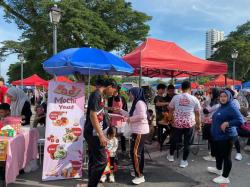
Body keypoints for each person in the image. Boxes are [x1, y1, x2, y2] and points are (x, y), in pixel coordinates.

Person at [83, 78, 117, 187]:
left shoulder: (101, 96)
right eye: (113, 90)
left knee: (94, 159)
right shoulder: (96, 95)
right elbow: (93, 115)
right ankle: (92, 184)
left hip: (95, 132)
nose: (113, 93)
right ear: (109, 86)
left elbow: (99, 111)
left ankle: (91, 183)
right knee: (102, 161)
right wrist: (101, 135)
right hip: (94, 133)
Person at [207, 90, 244, 184]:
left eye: (225, 96)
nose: (222, 98)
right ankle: (218, 169)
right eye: (221, 96)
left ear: (229, 97)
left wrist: (228, 123)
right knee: (218, 154)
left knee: (226, 157)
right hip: (218, 136)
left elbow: (240, 120)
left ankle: (225, 177)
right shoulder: (222, 106)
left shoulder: (231, 107)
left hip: (227, 136)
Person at [167, 81, 201, 168]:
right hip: (189, 123)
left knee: (174, 140)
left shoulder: (175, 97)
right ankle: (184, 161)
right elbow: (197, 114)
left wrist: (170, 119)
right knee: (187, 143)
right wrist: (199, 125)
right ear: (190, 89)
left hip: (177, 123)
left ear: (181, 88)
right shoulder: (194, 99)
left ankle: (171, 156)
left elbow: (170, 109)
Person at [120, 87, 149, 185]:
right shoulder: (136, 102)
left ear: (135, 94)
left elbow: (143, 116)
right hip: (138, 130)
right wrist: (120, 110)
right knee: (138, 153)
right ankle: (139, 171)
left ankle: (139, 176)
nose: (130, 95)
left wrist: (130, 120)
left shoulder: (139, 103)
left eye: (131, 94)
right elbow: (131, 114)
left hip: (140, 131)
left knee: (135, 153)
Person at [107, 86, 128, 153]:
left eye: (115, 91)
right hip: (113, 119)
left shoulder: (123, 98)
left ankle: (123, 150)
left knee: (122, 136)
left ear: (117, 91)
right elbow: (109, 110)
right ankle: (112, 151)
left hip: (121, 119)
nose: (113, 92)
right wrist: (111, 109)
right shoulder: (110, 99)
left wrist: (121, 112)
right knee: (113, 135)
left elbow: (125, 110)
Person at [202, 88, 221, 162]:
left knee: (212, 140)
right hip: (212, 123)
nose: (210, 94)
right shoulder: (215, 102)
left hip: (211, 123)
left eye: (211, 93)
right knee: (212, 140)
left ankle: (213, 156)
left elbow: (205, 111)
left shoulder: (215, 102)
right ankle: (213, 154)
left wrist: (204, 106)